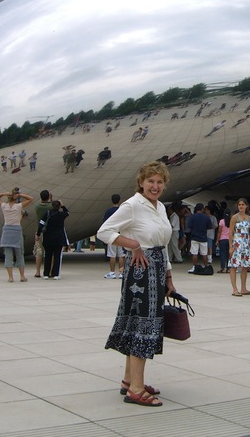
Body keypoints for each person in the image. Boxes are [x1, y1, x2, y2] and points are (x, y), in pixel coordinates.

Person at [97, 161, 176, 407]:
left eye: (159, 182)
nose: (155, 186)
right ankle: (137, 389)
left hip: (157, 268)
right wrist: (132, 245)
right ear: (141, 182)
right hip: (141, 272)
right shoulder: (132, 205)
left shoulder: (160, 206)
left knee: (141, 322)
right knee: (142, 324)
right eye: (150, 181)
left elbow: (162, 244)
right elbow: (104, 231)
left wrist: (169, 276)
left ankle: (129, 380)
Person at [0, 188, 34, 282]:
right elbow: (30, 199)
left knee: (8, 255)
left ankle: (10, 277)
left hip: (6, 230)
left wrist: (5, 193)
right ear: (15, 198)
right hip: (16, 230)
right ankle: (22, 276)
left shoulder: (4, 206)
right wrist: (20, 195)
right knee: (19, 254)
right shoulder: (18, 206)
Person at [37, 200, 69, 280]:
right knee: (57, 257)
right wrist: (63, 206)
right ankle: (56, 274)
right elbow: (67, 213)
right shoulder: (61, 215)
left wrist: (38, 234)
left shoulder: (47, 213)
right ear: (59, 206)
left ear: (52, 205)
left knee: (48, 256)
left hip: (48, 237)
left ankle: (46, 274)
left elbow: (41, 224)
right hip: (59, 238)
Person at [228, 198, 250, 296]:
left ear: (246, 206)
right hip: (237, 242)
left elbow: (248, 232)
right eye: (239, 205)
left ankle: (243, 288)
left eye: (243, 204)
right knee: (234, 266)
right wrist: (230, 246)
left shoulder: (248, 217)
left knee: (245, 266)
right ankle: (235, 289)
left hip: (246, 243)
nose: (241, 206)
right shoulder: (234, 217)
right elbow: (230, 232)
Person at [103, 194, 125, 279]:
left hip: (112, 234)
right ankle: (121, 273)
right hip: (121, 234)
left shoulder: (108, 211)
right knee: (121, 255)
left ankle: (112, 273)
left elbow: (105, 222)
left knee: (112, 254)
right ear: (119, 200)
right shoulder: (122, 210)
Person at [186, 203, 211, 273]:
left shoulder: (192, 217)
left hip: (194, 237)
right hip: (203, 237)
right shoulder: (206, 217)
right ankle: (206, 267)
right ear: (202, 209)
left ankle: (195, 267)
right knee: (204, 253)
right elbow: (210, 226)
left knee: (194, 253)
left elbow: (189, 226)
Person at [33, 190, 52, 278]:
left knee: (39, 251)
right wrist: (51, 199)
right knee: (50, 252)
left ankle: (37, 271)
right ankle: (50, 271)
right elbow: (53, 206)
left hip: (39, 231)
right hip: (49, 231)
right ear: (48, 196)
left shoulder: (37, 206)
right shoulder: (51, 206)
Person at [216, 207, 231, 273]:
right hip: (229, 240)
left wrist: (217, 240)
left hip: (222, 239)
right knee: (228, 254)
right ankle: (228, 268)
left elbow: (219, 231)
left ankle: (223, 268)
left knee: (222, 254)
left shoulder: (221, 221)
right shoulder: (231, 221)